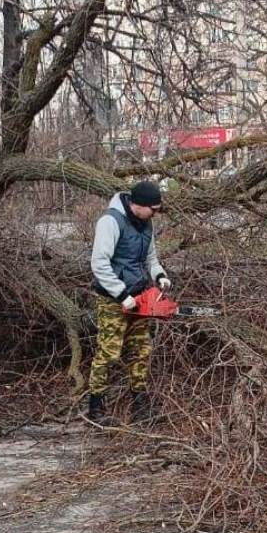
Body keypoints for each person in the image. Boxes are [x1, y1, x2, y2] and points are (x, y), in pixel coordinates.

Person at [84, 180, 171, 424]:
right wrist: (122, 295)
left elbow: (151, 258)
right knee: (108, 353)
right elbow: (99, 263)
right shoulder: (110, 221)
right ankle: (96, 408)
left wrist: (160, 276)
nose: (155, 213)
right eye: (153, 209)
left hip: (140, 297)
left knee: (141, 351)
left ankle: (139, 405)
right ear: (138, 205)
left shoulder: (146, 224)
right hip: (113, 300)